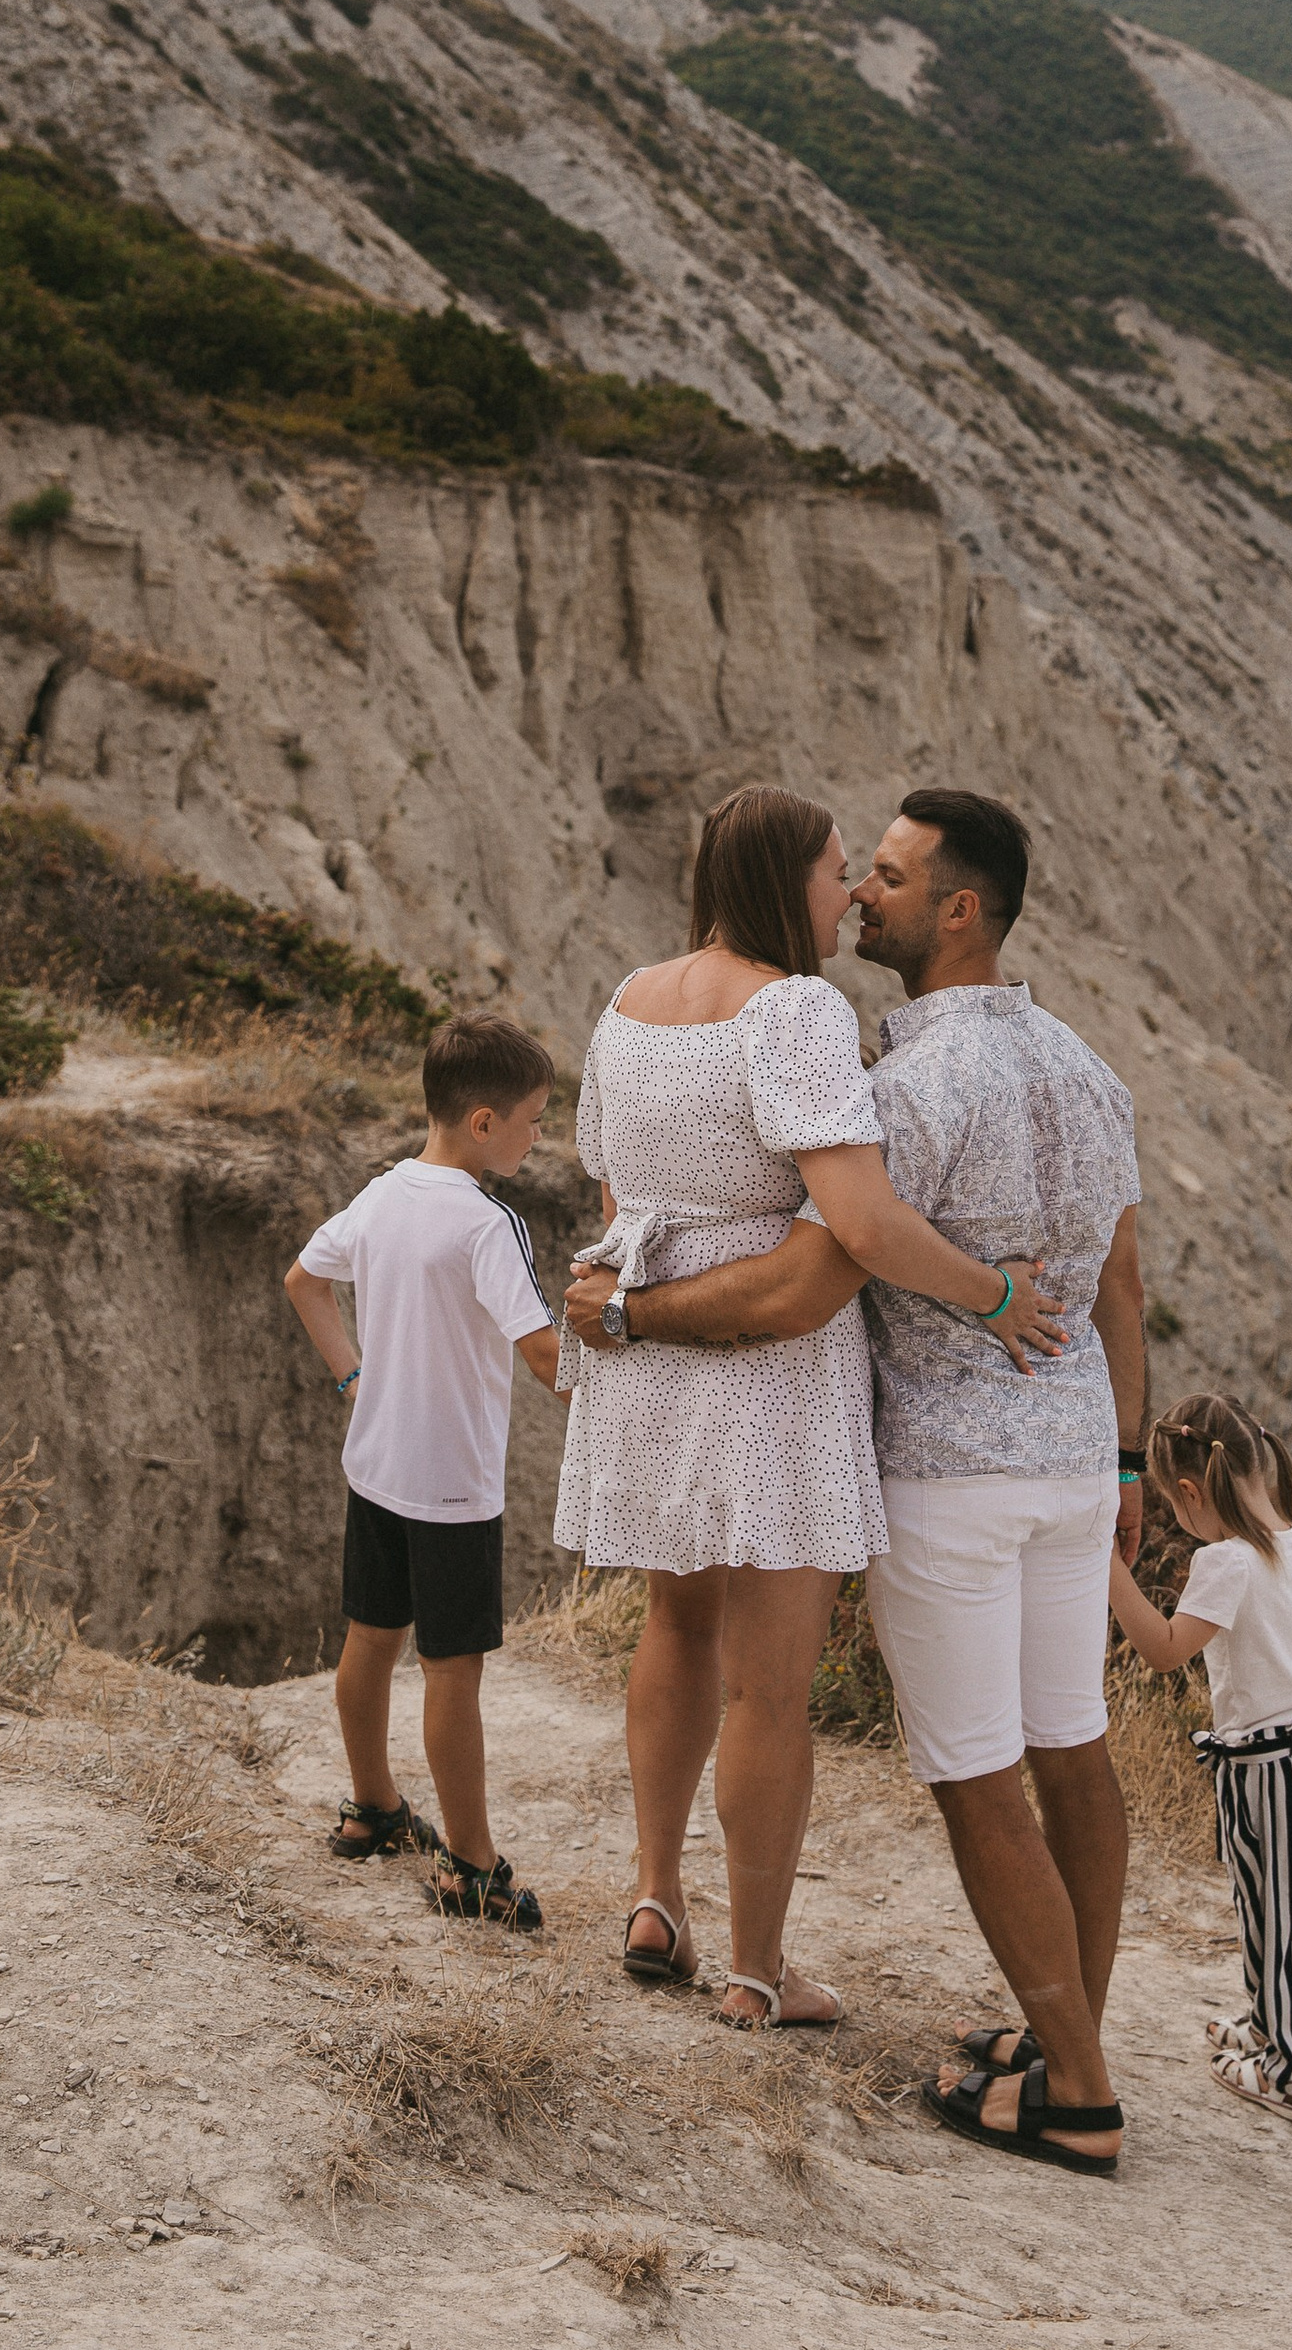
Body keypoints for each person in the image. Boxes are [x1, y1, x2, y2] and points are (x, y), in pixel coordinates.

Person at [567, 789, 1145, 2179]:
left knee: (971, 1777)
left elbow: (819, 1270)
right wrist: (1124, 1452)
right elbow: (1124, 1275)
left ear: (958, 908)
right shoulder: (1084, 1066)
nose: (860, 899)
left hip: (951, 1468)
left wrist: (627, 1310)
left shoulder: (885, 1085)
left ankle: (1075, 2089)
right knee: (1070, 1751)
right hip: (1068, 1457)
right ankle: (1068, 2034)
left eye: (883, 879)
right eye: (850, 875)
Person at [283, 1010, 566, 1932]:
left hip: (376, 1465)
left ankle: (371, 1806)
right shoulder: (490, 1223)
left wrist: (356, 1377)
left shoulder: (381, 1195)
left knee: (371, 1639)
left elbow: (303, 1280)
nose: (538, 1135)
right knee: (454, 1671)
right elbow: (540, 1353)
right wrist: (626, 1417)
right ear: (483, 1123)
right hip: (452, 1485)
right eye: (532, 1119)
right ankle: (472, 1867)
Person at [1106, 1393, 1292, 2129]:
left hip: (1274, 1767)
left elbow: (1163, 1650)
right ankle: (1270, 2024)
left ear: (1189, 1494)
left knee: (1275, 1919)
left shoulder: (1225, 1562)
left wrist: (1104, 1563)